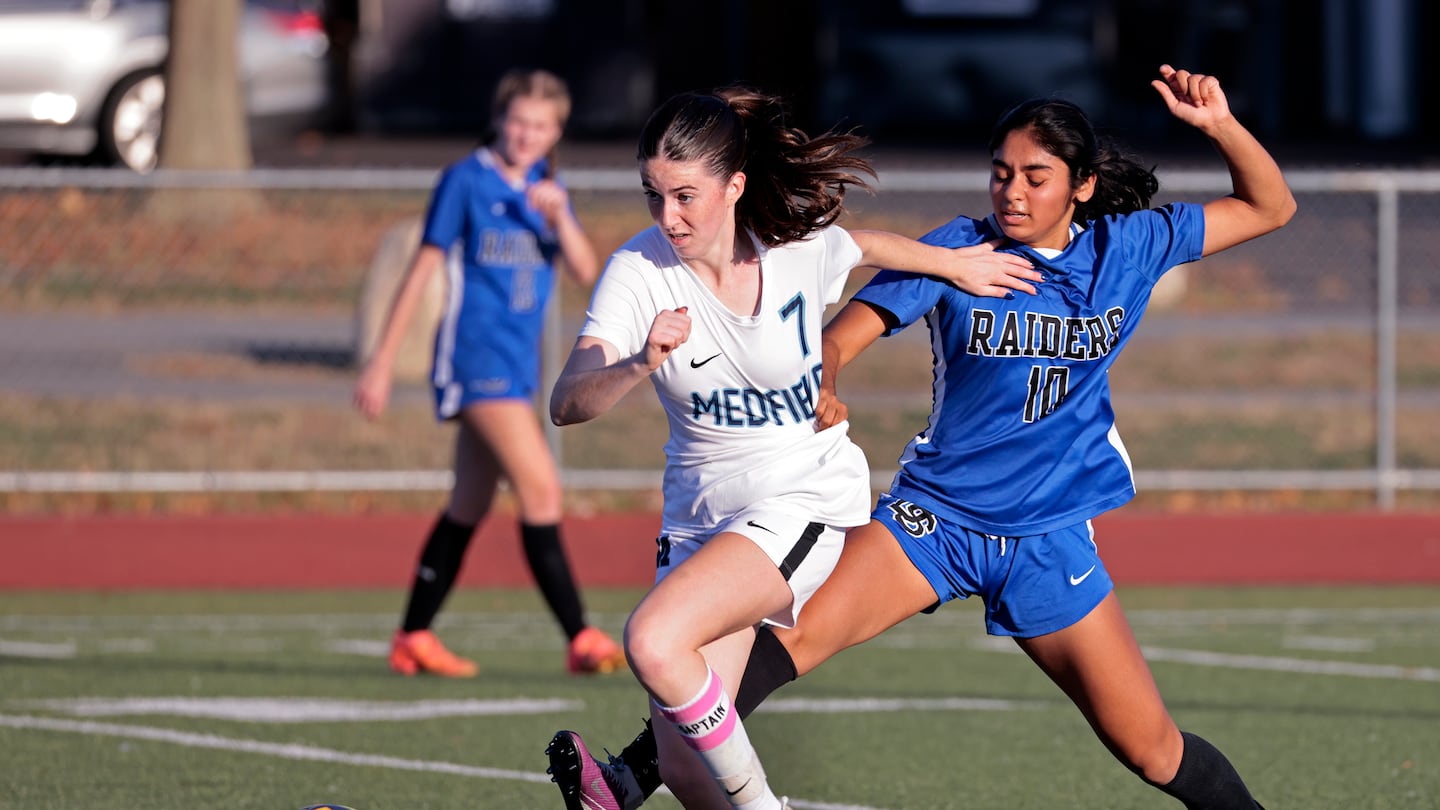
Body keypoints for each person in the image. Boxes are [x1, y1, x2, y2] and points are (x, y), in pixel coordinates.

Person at [547, 64, 1294, 809]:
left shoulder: (1126, 251)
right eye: (1001, 172)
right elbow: (840, 333)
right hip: (933, 520)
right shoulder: (960, 251)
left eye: (1036, 177)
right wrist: (826, 378)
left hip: (1047, 534)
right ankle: (627, 779)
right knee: (786, 640)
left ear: (1083, 186)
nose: (1012, 191)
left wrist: (1220, 125)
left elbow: (1271, 207)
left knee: (1152, 748)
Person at [546, 85, 1038, 809]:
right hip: (699, 517)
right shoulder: (637, 271)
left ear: (735, 185)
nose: (667, 215)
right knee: (684, 773)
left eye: (685, 195)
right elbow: (567, 400)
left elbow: (868, 247)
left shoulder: (794, 252)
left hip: (801, 497)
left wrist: (957, 267)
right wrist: (636, 363)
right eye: (653, 195)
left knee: (653, 639)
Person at [353, 68, 626, 678]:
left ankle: (414, 636)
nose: (527, 135)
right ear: (501, 119)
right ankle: (580, 636)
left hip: (517, 369)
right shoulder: (465, 181)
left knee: (468, 505)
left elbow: (587, 271)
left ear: (556, 132)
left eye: (542, 126)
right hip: (475, 364)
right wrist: (381, 361)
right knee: (542, 490)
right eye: (519, 121)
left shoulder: (547, 188)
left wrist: (561, 218)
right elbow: (422, 270)